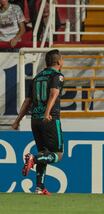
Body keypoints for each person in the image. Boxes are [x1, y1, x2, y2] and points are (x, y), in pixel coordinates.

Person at [12, 49, 65, 195]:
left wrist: (17, 120)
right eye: (62, 59)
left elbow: (27, 101)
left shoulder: (36, 77)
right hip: (49, 118)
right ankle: (33, 159)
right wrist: (47, 112)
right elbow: (54, 93)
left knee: (44, 152)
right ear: (59, 61)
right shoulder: (57, 76)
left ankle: (40, 187)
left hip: (34, 120)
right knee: (58, 154)